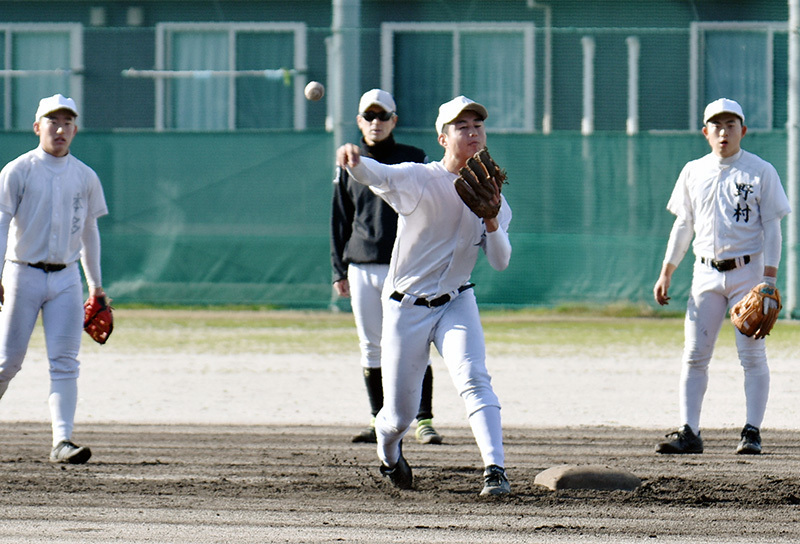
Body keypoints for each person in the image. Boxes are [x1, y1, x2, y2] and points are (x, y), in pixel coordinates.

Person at [336, 95, 513, 496]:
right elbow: (377, 174)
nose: (472, 132)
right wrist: (354, 159)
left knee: (474, 377)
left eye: (478, 126)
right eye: (461, 126)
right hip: (406, 307)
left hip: (456, 300)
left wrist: (491, 218)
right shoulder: (420, 178)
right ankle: (389, 454)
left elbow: (501, 261)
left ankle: (495, 469)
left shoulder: (494, 196)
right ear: (442, 137)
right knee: (399, 416)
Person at [653, 98, 791, 456]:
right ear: (705, 133)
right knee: (695, 355)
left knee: (752, 356)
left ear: (742, 130)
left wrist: (769, 279)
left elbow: (773, 228)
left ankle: (752, 431)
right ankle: (690, 432)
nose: (724, 132)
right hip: (705, 272)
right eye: (716, 125)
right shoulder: (693, 171)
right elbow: (684, 225)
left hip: (748, 273)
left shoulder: (761, 171)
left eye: (731, 125)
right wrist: (667, 270)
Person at [0, 94, 109, 464]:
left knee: (65, 362)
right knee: (6, 362)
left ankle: (62, 442)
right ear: (37, 127)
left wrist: (95, 286)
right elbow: (1, 224)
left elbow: (89, 232)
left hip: (65, 279)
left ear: (75, 130)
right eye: (52, 121)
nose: (60, 129)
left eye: (67, 122)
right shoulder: (18, 170)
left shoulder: (84, 175)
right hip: (21, 272)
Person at [331, 89, 443, 446]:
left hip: (408, 266)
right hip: (362, 264)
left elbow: (433, 209)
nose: (375, 123)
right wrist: (338, 270)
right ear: (360, 121)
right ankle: (378, 419)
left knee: (416, 343)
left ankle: (423, 421)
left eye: (383, 116)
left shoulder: (412, 158)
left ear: (394, 120)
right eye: (369, 116)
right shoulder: (351, 161)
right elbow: (340, 218)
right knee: (372, 346)